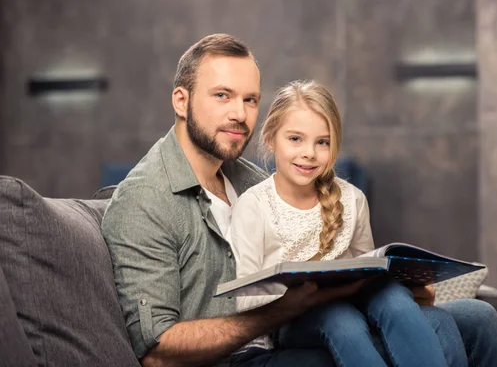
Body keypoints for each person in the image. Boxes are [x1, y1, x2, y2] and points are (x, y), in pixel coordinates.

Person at [101, 34, 365, 367]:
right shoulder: (145, 200)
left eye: (250, 100)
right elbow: (158, 352)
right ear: (181, 101)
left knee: (429, 323)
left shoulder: (252, 181)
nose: (239, 114)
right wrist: (282, 309)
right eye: (222, 96)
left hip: (287, 342)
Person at [228, 80, 497, 367]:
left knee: (394, 296)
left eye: (322, 142)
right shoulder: (254, 205)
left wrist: (406, 283)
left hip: (351, 304)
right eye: (295, 139)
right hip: (294, 320)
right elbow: (244, 299)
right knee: (342, 319)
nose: (309, 153)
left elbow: (366, 267)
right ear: (270, 139)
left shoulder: (352, 199)